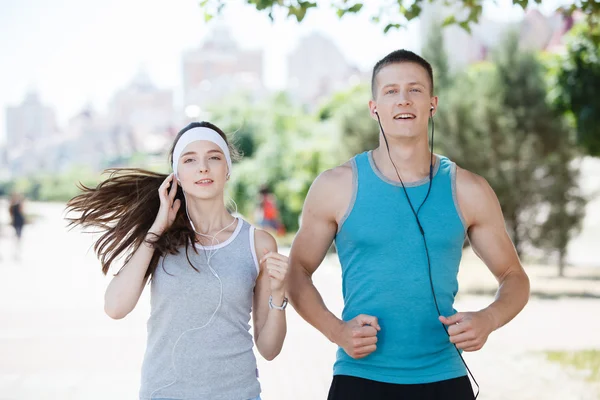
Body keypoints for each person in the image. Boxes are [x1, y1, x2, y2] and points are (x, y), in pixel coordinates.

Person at [287, 50, 531, 400]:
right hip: (360, 377)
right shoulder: (335, 186)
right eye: (391, 91)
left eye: (414, 90)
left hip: (445, 378)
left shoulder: (468, 189)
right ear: (374, 108)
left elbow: (515, 277)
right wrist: (336, 331)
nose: (403, 100)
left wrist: (489, 319)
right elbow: (297, 270)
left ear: (432, 104)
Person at [67, 121, 289, 400]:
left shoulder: (258, 244)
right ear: (177, 174)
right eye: (190, 159)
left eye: (214, 157)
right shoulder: (159, 235)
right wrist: (157, 229)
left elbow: (269, 349)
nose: (203, 167)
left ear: (227, 169)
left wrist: (279, 296)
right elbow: (115, 307)